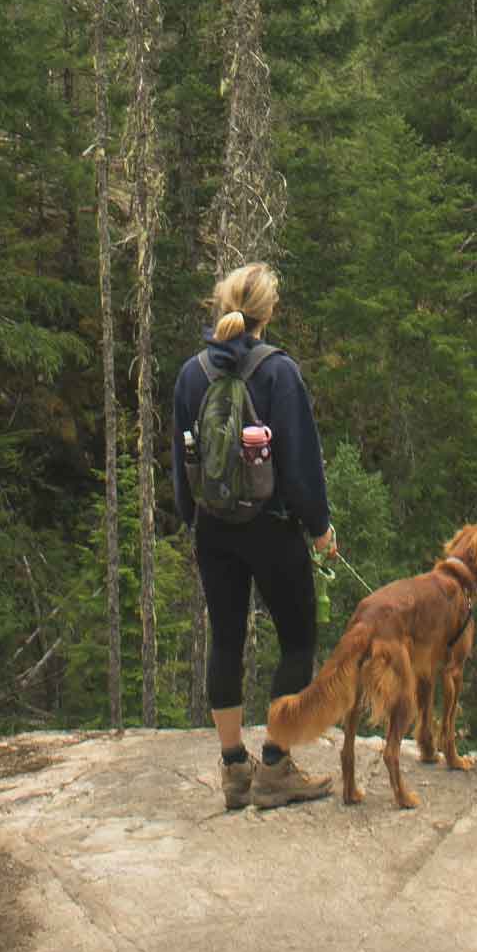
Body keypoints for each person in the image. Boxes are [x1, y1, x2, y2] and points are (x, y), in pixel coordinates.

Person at [172, 262, 338, 810]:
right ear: (268, 313)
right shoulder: (278, 372)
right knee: (296, 642)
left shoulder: (192, 373)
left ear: (221, 306)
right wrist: (319, 528)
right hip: (273, 529)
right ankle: (275, 766)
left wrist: (188, 517)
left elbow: (181, 457)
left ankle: (233, 770)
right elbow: (301, 461)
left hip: (214, 529)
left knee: (225, 640)